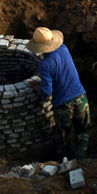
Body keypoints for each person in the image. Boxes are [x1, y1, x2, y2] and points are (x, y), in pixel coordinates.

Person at [27, 27, 91, 161]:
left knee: (63, 136)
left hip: (63, 105)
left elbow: (47, 91)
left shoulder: (45, 64)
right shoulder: (64, 49)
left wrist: (37, 89)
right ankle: (81, 159)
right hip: (81, 97)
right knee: (82, 132)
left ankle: (64, 161)